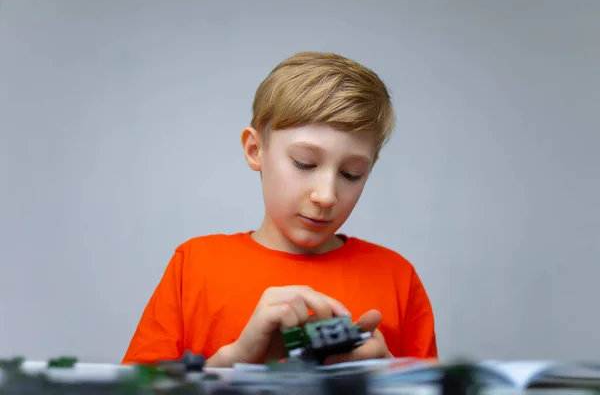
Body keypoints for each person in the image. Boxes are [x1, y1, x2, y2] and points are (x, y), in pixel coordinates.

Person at [122, 51, 437, 367]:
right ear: (255, 150)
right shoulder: (194, 267)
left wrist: (392, 375)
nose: (326, 196)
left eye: (351, 174)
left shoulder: (397, 277)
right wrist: (233, 359)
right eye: (305, 163)